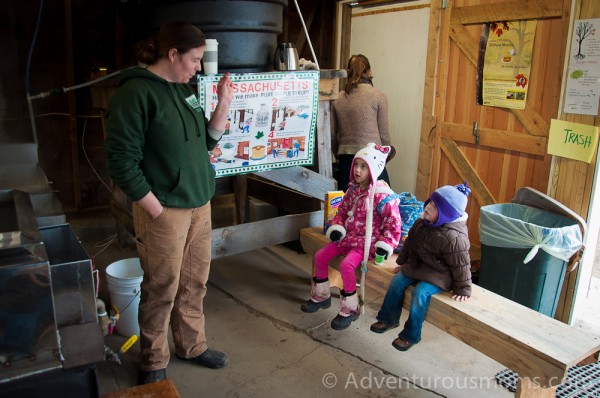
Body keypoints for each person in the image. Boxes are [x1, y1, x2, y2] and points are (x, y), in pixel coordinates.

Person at [104, 21, 234, 385]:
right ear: (172, 53)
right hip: (164, 209)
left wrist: (223, 104)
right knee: (162, 287)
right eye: (193, 59)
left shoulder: (183, 91)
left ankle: (192, 346)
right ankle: (153, 359)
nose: (197, 67)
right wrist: (155, 208)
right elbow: (120, 162)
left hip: (199, 203)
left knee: (195, 283)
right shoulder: (135, 94)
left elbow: (206, 142)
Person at [301, 143, 402, 330]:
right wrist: (337, 227)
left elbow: (393, 224)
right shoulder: (353, 190)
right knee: (319, 257)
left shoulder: (382, 196)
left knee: (346, 265)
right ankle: (321, 296)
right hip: (347, 238)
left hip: (366, 244)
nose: (357, 170)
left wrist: (385, 244)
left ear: (374, 169)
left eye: (364, 166)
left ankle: (350, 308)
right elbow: (341, 212)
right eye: (356, 165)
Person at [369, 182, 472, 351]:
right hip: (418, 266)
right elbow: (410, 244)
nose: (428, 207)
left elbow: (462, 265)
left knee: (420, 294)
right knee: (397, 281)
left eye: (434, 206)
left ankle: (411, 335)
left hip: (438, 275)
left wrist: (463, 289)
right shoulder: (421, 223)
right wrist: (402, 263)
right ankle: (388, 319)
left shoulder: (455, 238)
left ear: (446, 214)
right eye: (430, 202)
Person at [332, 54, 392, 192]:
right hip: (371, 158)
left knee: (347, 205)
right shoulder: (378, 96)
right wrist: (385, 156)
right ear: (369, 71)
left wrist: (339, 154)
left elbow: (332, 135)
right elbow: (384, 136)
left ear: (348, 72)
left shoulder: (338, 99)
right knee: (379, 201)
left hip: (346, 161)